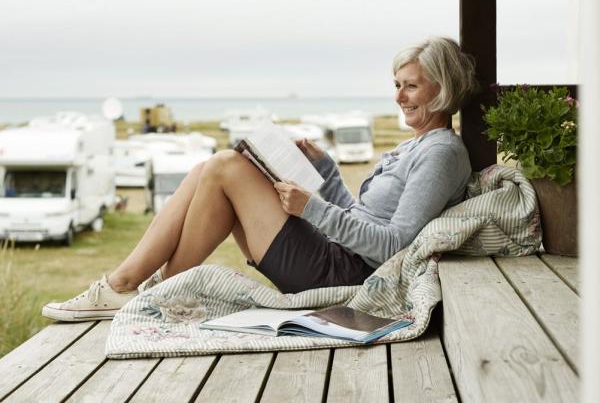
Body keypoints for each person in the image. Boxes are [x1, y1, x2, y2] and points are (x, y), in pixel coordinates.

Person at [42, 37, 478, 322]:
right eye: (396, 85)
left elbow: (392, 246)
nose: (398, 97)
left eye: (410, 87)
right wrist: (325, 170)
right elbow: (360, 216)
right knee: (206, 170)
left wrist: (312, 208)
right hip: (334, 255)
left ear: (442, 88)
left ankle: (130, 290)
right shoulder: (418, 145)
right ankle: (140, 289)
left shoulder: (441, 152)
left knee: (224, 167)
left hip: (341, 274)